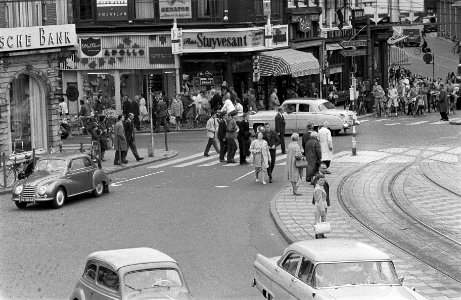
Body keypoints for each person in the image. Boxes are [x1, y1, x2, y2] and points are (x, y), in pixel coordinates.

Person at [313, 173, 327, 239]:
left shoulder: (320, 187)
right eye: (321, 180)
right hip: (320, 207)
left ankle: (321, 234)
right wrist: (322, 210)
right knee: (318, 221)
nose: (322, 182)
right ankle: (318, 235)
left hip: (322, 206)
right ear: (317, 181)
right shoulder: (318, 189)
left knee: (322, 221)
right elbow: (319, 201)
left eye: (323, 180)